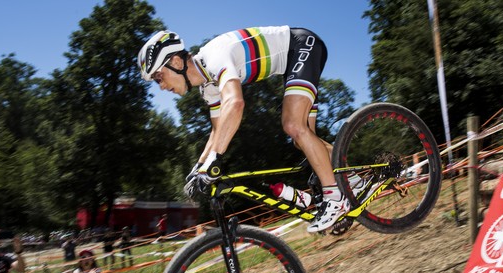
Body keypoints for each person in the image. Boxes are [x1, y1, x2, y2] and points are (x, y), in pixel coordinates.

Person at [138, 27, 361, 233]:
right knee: (302, 139)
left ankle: (335, 198)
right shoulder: (208, 86)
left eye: (159, 77)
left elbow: (235, 104)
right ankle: (351, 179)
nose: (162, 86)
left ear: (176, 62)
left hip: (302, 45)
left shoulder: (213, 58)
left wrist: (214, 159)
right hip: (291, 61)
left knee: (293, 125)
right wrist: (198, 168)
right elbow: (218, 131)